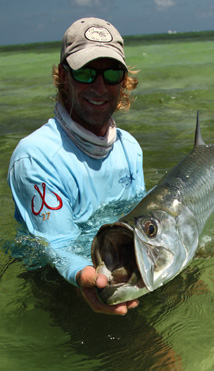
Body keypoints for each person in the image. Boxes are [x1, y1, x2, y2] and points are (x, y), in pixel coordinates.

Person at [8, 17, 145, 315]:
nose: (99, 86)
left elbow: (140, 222)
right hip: (64, 288)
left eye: (111, 73)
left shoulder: (130, 147)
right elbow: (58, 244)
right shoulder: (35, 156)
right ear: (64, 78)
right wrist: (86, 276)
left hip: (125, 274)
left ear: (124, 81)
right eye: (85, 73)